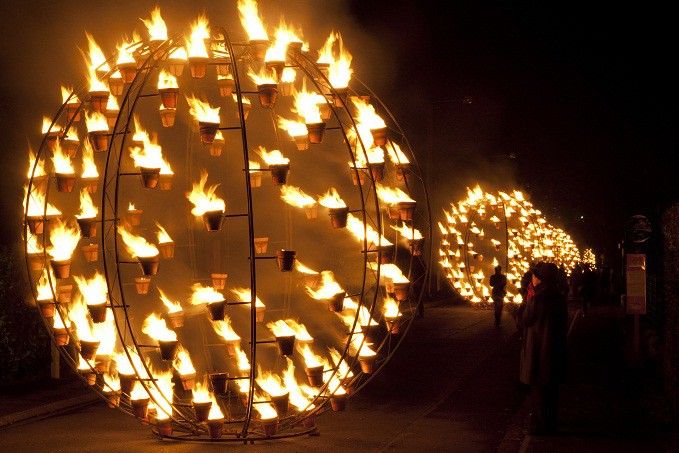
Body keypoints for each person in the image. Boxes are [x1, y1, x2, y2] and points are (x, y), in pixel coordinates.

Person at [519, 262, 568, 435]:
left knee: (538, 389)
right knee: (551, 390)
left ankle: (540, 426)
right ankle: (550, 423)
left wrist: (528, 300)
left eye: (535, 275)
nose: (532, 278)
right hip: (554, 350)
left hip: (538, 350)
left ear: (541, 279)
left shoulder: (537, 299)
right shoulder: (559, 298)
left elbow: (525, 320)